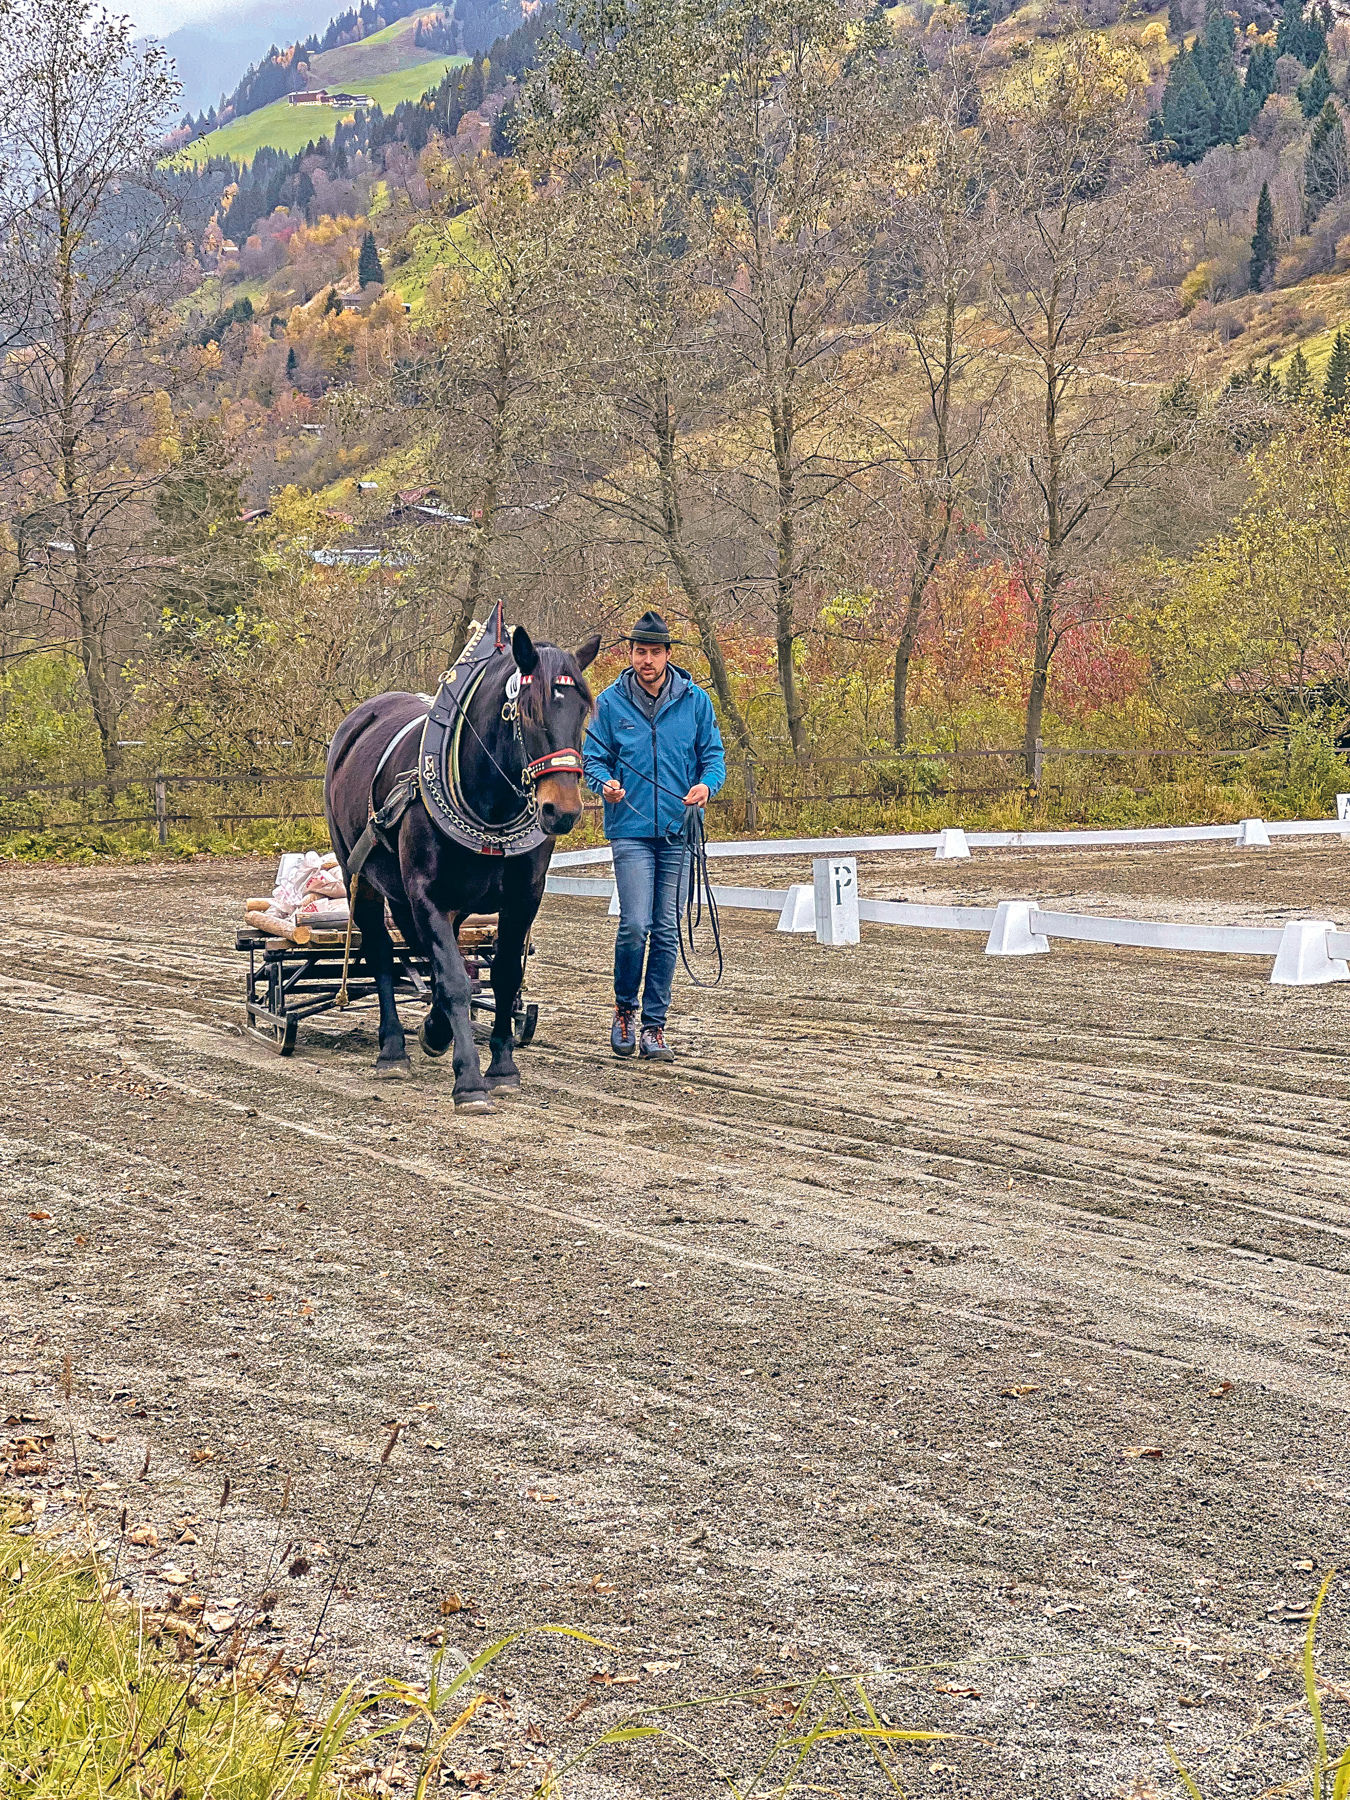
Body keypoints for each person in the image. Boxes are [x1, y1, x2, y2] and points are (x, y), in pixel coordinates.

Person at [581, 610, 726, 1062]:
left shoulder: (696, 701)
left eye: (654, 652)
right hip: (629, 830)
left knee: (666, 930)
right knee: (635, 924)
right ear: (631, 655)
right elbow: (592, 759)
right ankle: (624, 1009)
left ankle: (654, 1025)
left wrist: (707, 786)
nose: (647, 660)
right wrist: (604, 784)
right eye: (640, 652)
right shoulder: (607, 703)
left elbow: (714, 757)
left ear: (667, 655)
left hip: (679, 832)